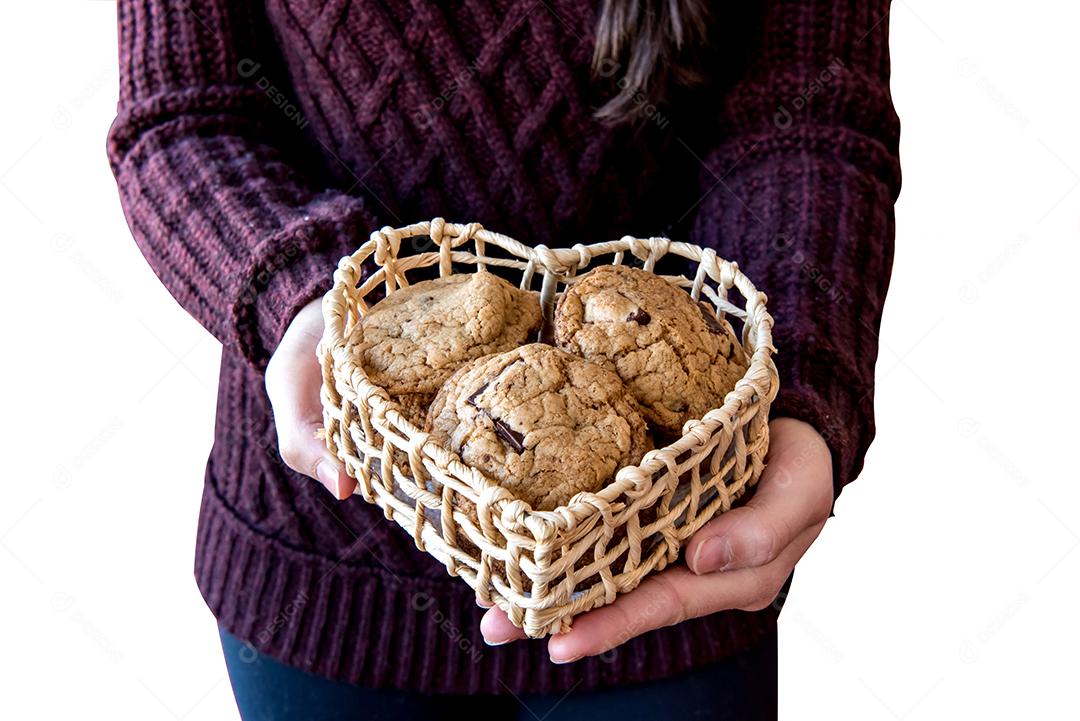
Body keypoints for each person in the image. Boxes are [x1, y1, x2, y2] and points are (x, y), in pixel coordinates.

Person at [107, 0, 899, 718]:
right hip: (323, 553)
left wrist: (797, 379)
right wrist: (317, 300)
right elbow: (183, 110)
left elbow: (808, 110)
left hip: (664, 542)